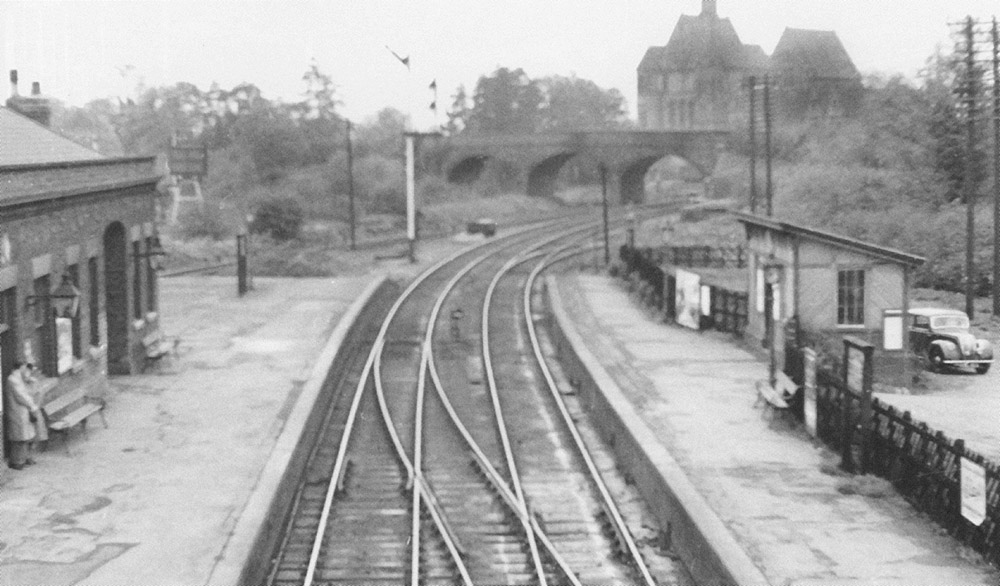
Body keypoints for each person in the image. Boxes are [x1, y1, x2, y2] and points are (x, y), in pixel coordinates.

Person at [5, 361, 42, 470]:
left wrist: (29, 380)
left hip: (23, 412)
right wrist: (32, 406)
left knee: (27, 436)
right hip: (18, 412)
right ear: (20, 367)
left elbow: (26, 390)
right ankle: (16, 462)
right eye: (23, 368)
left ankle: (24, 458)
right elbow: (21, 396)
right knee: (19, 439)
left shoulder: (18, 378)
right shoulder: (13, 380)